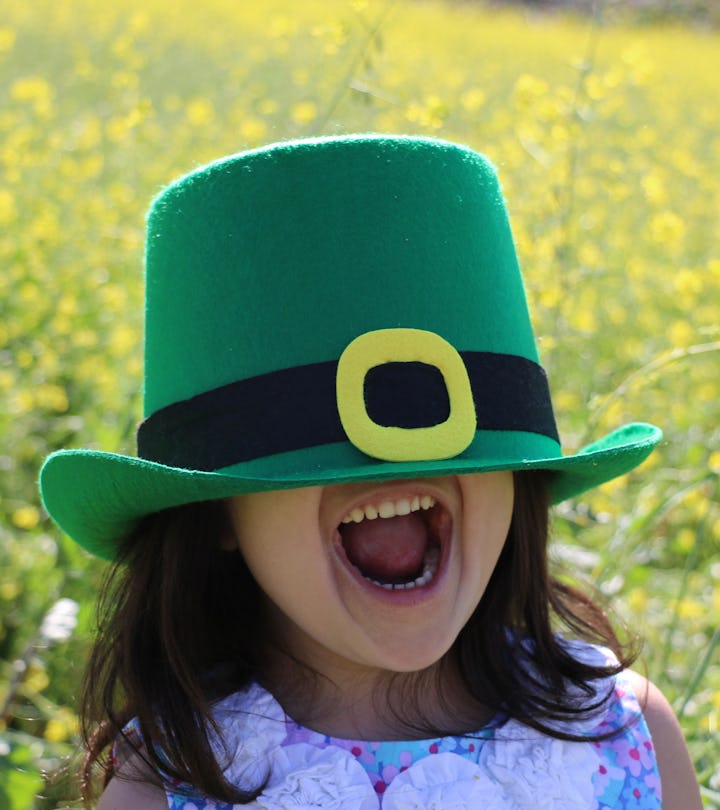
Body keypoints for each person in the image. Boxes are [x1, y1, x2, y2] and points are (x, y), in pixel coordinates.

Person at [40, 135, 701, 809]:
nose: (393, 466)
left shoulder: (626, 736)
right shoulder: (171, 784)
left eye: (451, 452)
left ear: (515, 484)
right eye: (317, 455)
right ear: (217, 515)